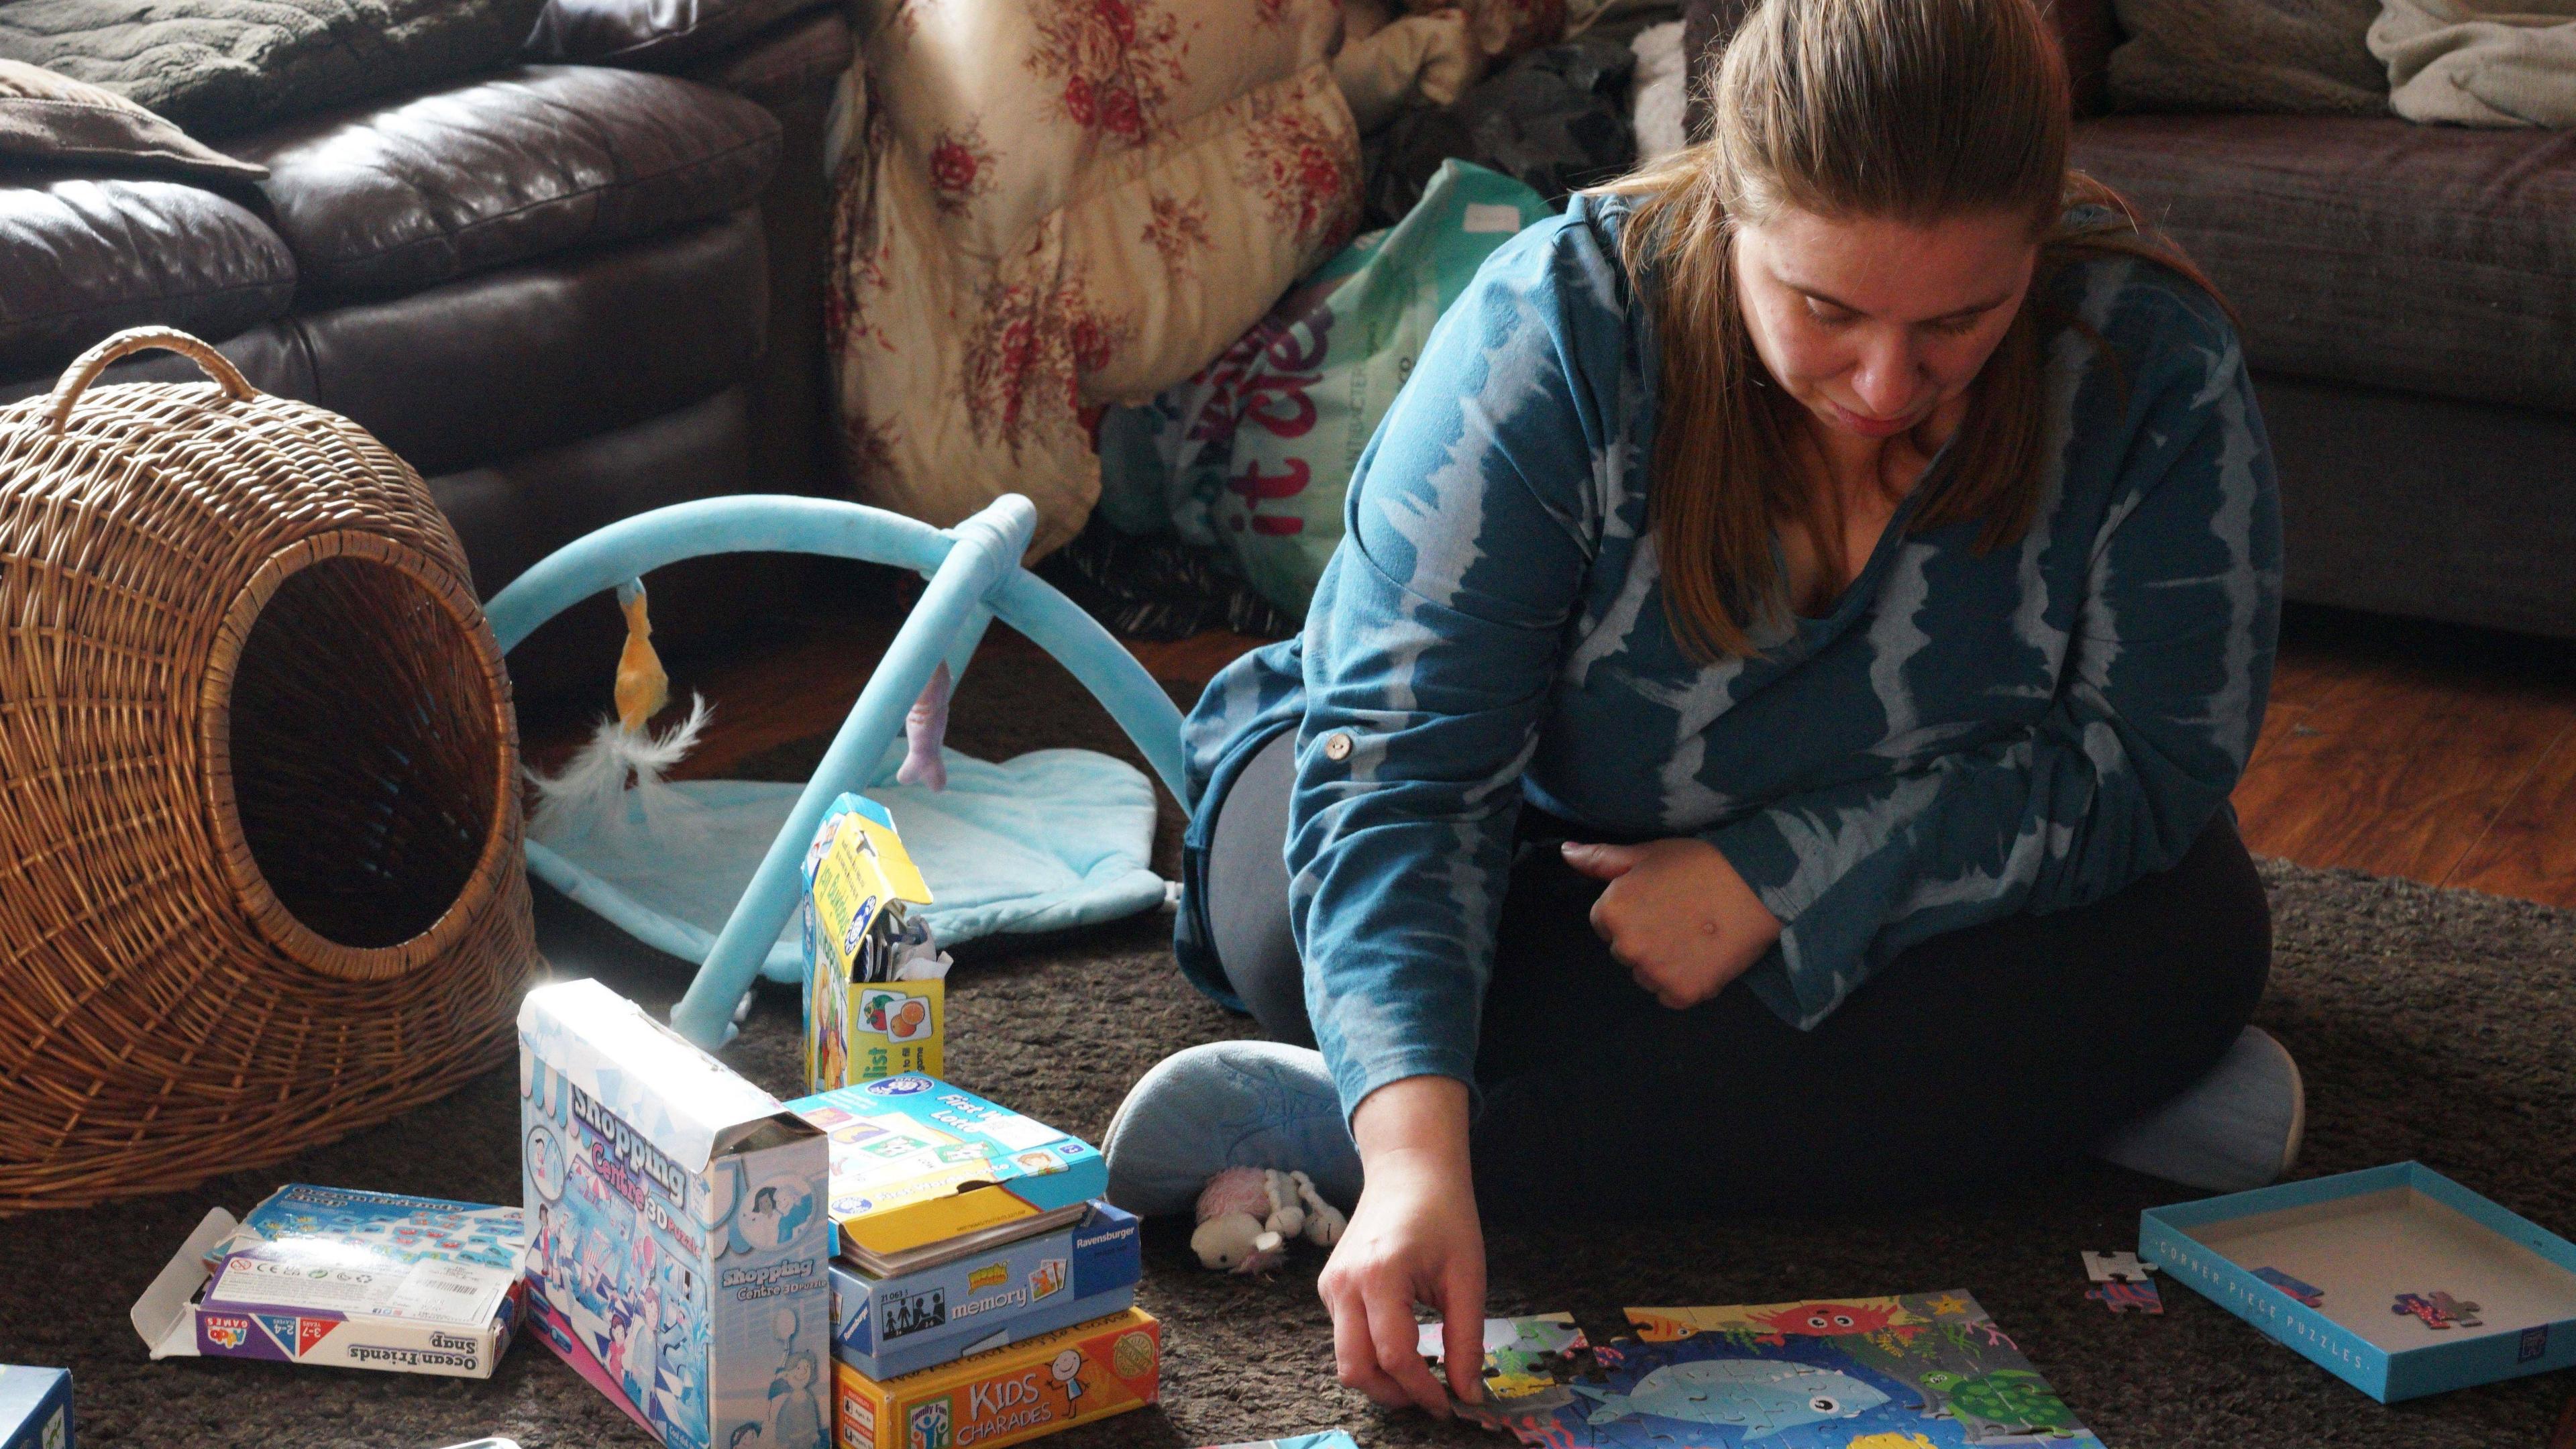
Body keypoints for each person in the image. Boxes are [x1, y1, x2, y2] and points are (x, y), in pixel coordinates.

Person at [1102, 0, 2296, 1419]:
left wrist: (1782, 876)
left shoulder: (2147, 361)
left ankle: (1358, 1126)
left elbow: (2148, 764)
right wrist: (1425, 1151)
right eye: (1826, 308)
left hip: (1859, 861)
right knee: (1289, 919)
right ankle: (2050, 1103)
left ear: (2037, 248)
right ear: (1734, 207)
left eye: (1959, 323)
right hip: (1526, 838)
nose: (1883, 384)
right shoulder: (1559, 328)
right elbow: (1407, 777)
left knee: (2193, 935)